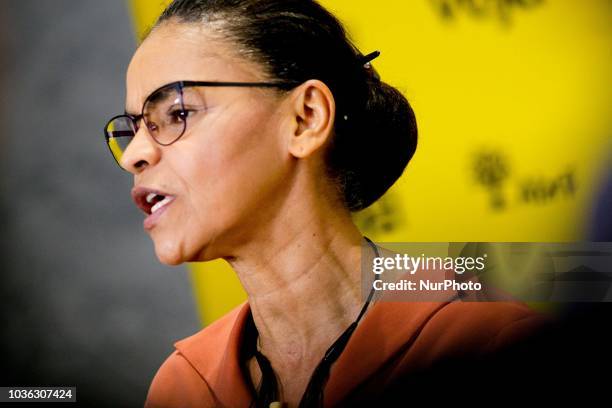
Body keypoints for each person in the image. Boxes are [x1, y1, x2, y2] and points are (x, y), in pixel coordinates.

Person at [103, 0, 550, 406]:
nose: (135, 155)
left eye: (178, 113)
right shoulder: (183, 388)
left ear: (306, 118)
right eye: (132, 129)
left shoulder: (486, 344)